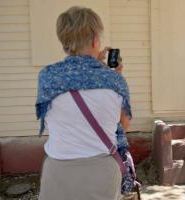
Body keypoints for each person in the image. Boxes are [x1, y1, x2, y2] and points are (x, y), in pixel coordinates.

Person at [35, 6, 131, 200]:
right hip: (102, 172)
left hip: (58, 171)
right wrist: (115, 75)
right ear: (96, 40)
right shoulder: (114, 81)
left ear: (64, 41)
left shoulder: (48, 77)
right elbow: (125, 125)